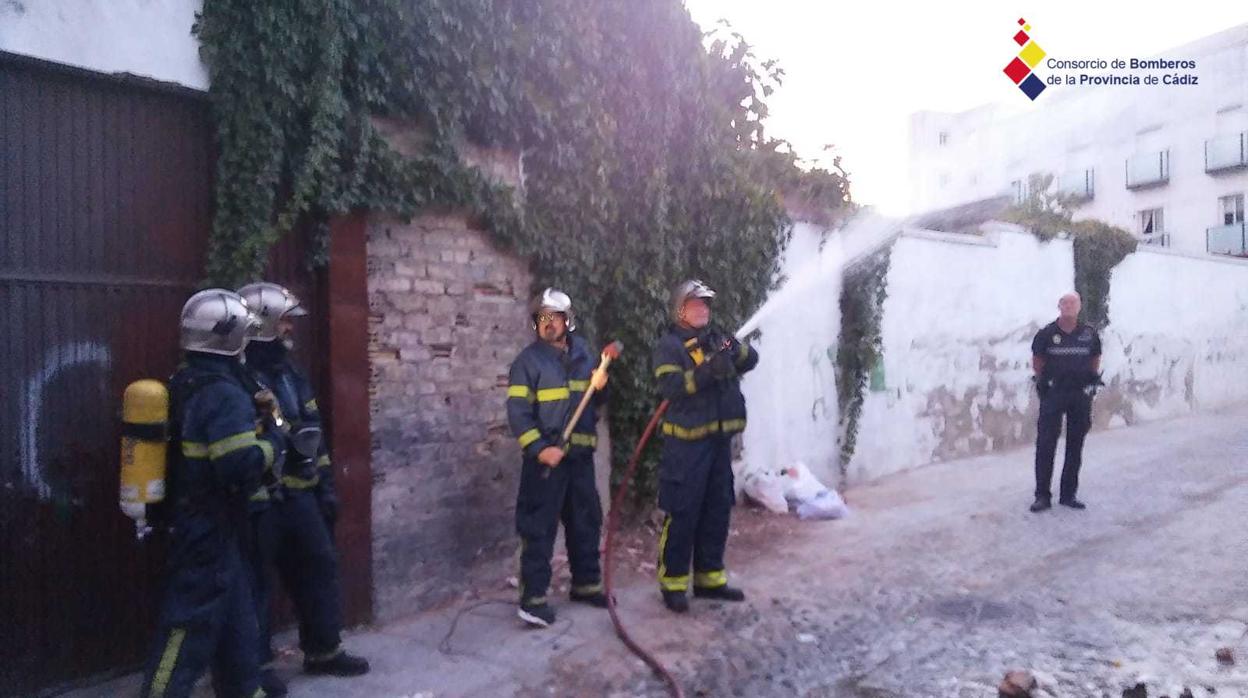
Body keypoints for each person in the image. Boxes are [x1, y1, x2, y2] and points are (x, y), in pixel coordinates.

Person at [140, 289, 283, 697]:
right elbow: (238, 465)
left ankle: (244, 689)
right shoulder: (223, 393)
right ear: (231, 337)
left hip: (208, 525)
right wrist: (275, 444)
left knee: (239, 624)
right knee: (185, 628)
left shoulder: (186, 380)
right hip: (207, 528)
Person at [236, 282, 369, 691]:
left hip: (301, 495)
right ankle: (253, 670)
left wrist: (325, 485)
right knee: (254, 583)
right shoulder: (241, 376)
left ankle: (323, 651)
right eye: (285, 321)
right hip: (261, 500)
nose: (292, 328)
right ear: (263, 325)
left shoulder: (291, 373)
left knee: (319, 567)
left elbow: (312, 431)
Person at [651, 279, 758, 613]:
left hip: (717, 443)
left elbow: (750, 358)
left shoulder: (717, 336)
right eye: (696, 304)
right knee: (683, 511)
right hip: (686, 447)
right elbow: (670, 388)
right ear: (680, 309)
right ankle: (673, 584)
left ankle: (710, 579)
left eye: (706, 305)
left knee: (717, 508)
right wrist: (708, 371)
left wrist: (731, 349)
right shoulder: (669, 346)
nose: (703, 310)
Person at [506, 288, 609, 628]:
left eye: (555, 318)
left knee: (586, 522)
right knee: (538, 529)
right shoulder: (527, 363)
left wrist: (602, 383)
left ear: (568, 321)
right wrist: (539, 449)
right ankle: (533, 601)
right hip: (545, 462)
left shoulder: (585, 356)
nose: (549, 325)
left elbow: (595, 403)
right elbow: (518, 415)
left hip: (579, 458)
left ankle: (586, 584)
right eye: (542, 319)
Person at [1030, 291, 1103, 513]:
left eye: (1074, 303)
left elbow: (1095, 359)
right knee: (1046, 444)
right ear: (1059, 306)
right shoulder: (1046, 334)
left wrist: (1088, 381)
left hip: (1079, 395)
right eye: (1066, 303)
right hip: (1054, 394)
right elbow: (1037, 361)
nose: (1070, 307)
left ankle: (1068, 494)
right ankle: (1042, 496)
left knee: (1075, 444)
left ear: (1079, 307)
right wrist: (1048, 382)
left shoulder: (1089, 334)